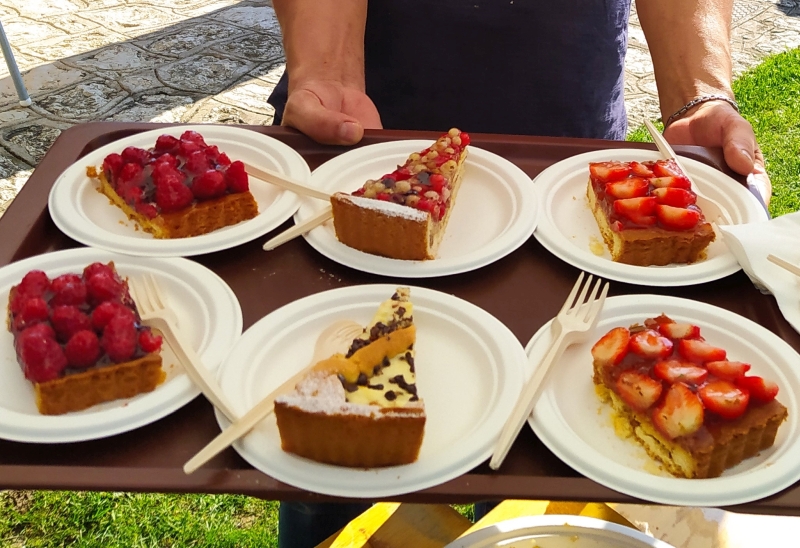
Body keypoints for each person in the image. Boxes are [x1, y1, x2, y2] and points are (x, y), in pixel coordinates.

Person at [267, 1, 770, 546]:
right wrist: (329, 71)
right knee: (326, 470)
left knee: (539, 462)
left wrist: (700, 93)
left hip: (566, 153)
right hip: (362, 135)